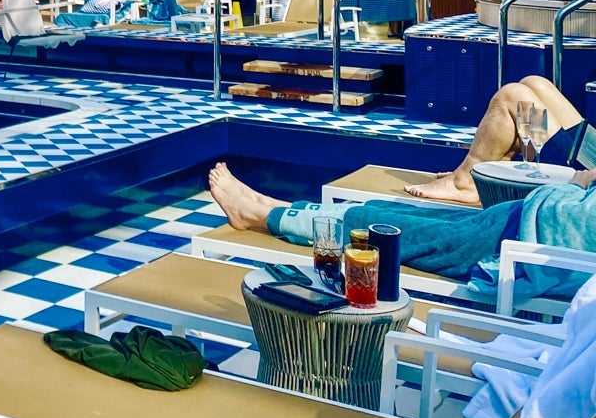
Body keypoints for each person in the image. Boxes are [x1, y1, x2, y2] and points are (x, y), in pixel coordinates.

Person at [207, 161, 596, 291]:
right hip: (522, 221)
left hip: (529, 242)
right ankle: (275, 208)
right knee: (384, 209)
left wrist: (574, 186)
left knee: (378, 229)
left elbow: (573, 222)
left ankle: (260, 214)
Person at [404, 76, 587, 204]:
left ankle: (464, 183)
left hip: (585, 174)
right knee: (535, 84)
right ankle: (489, 174)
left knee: (511, 95)